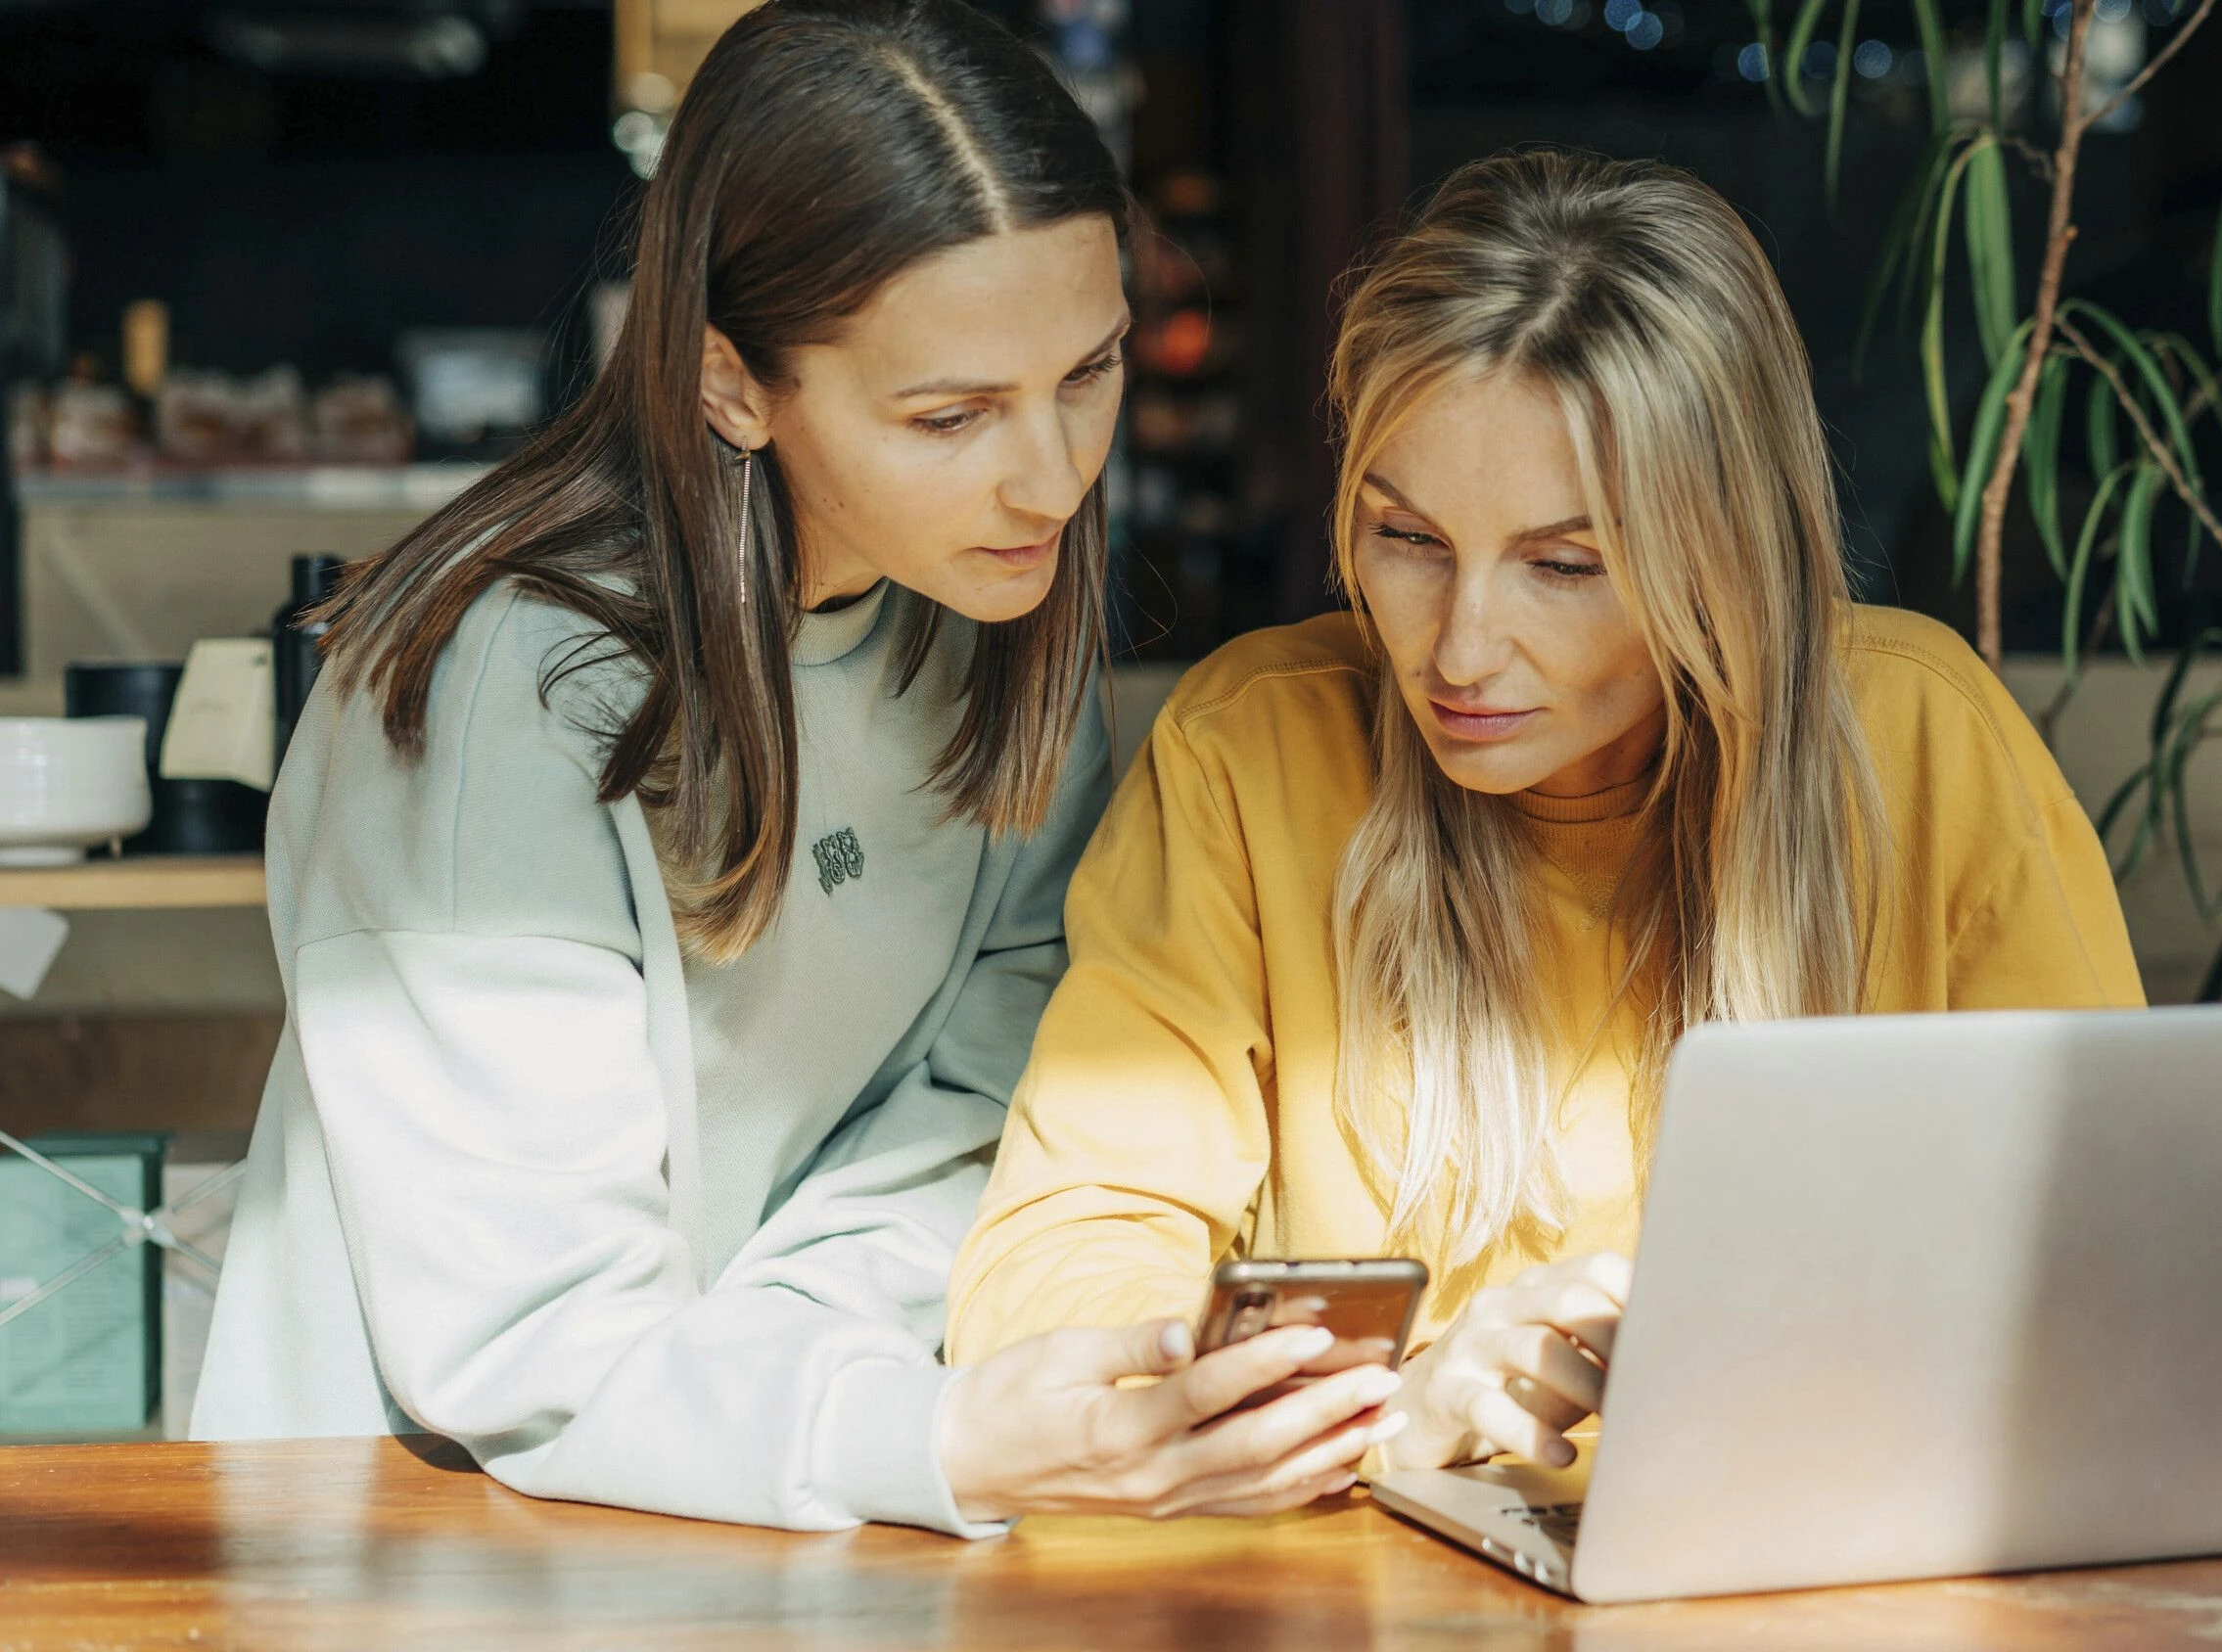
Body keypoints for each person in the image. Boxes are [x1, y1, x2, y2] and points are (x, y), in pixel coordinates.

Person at [193, 0, 1398, 1535]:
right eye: (950, 414)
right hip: (420, 1542)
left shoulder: (986, 612)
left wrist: (820, 1396)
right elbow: (524, 1345)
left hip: (774, 1501)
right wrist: (926, 1434)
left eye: (1087, 373)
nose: (1051, 475)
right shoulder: (503, 686)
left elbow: (979, 1096)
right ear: (727, 383)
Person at [946, 151, 2143, 1477]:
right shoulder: (1253, 754)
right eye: (1407, 541)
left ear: (1724, 559)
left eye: (1563, 566)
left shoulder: (1920, 741)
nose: (1459, 653)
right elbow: (1055, 1280)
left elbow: (2117, 1247)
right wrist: (1388, 1417)